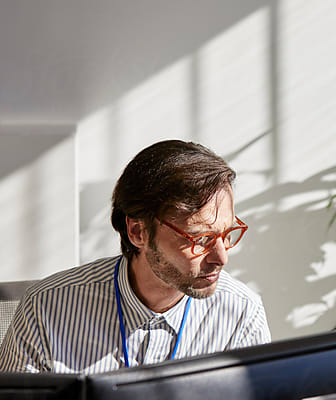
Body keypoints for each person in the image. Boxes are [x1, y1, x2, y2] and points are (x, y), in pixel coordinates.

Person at [0, 139, 270, 373]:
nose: (221, 257)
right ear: (138, 232)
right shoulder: (47, 308)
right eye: (200, 239)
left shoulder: (241, 313)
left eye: (226, 234)